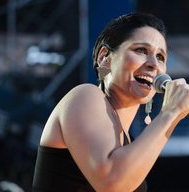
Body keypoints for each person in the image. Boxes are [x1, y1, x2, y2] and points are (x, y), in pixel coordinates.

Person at [32, 12, 189, 192]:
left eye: (161, 57)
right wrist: (171, 113)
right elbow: (112, 183)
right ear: (104, 57)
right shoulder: (84, 96)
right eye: (141, 50)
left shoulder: (129, 141)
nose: (154, 64)